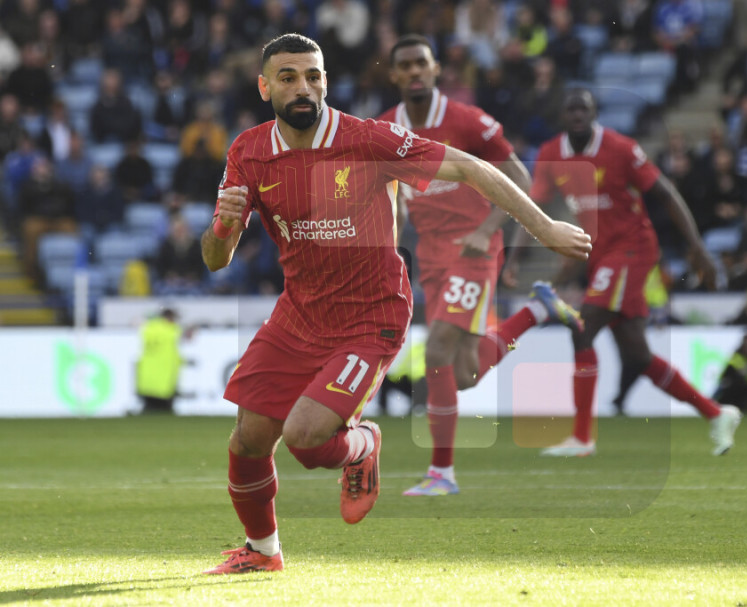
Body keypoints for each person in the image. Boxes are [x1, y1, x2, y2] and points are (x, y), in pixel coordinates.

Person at [200, 34, 590, 575]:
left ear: (325, 82)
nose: (303, 87)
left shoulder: (368, 139)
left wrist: (543, 228)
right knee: (248, 438)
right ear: (265, 87)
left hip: (370, 315)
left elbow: (471, 167)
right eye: (288, 77)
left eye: (313, 76)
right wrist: (223, 226)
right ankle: (263, 552)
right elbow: (215, 258)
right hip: (299, 314)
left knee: (306, 439)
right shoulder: (248, 151)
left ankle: (362, 444)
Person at [378, 35, 583, 497]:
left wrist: (488, 229)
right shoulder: (386, 129)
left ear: (435, 69)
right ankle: (537, 311)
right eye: (405, 66)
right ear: (394, 75)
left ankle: (441, 473)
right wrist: (391, 248)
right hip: (432, 256)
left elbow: (520, 177)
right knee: (465, 375)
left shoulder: (468, 121)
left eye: (421, 63)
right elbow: (394, 198)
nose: (414, 72)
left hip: (473, 251)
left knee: (436, 352)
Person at [506, 89, 742, 457]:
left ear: (594, 113)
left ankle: (582, 437)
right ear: (563, 116)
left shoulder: (620, 148)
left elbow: (666, 193)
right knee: (638, 356)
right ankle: (717, 414)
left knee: (583, 328)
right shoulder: (551, 154)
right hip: (600, 255)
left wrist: (697, 248)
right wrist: (514, 258)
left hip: (633, 248)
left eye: (584, 109)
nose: (578, 115)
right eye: (571, 109)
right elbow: (532, 209)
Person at [134, 308, 184, 414]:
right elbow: (180, 333)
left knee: (149, 408)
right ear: (168, 318)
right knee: (165, 409)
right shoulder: (170, 330)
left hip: (148, 373)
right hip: (164, 373)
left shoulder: (149, 328)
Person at [713, 330, 747, 415]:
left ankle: (746, 407)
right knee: (739, 384)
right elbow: (726, 377)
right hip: (733, 390)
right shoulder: (736, 358)